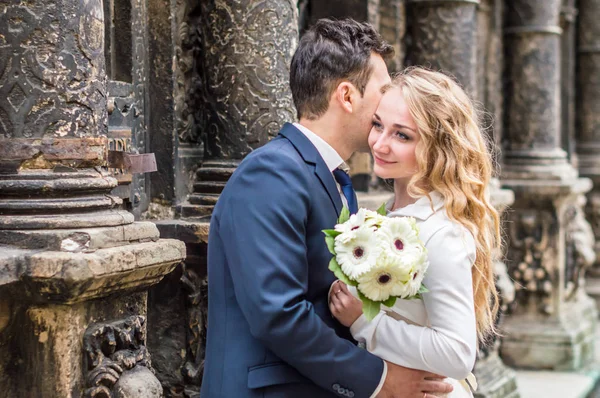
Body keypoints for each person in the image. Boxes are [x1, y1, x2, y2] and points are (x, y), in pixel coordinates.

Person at [201, 20, 454, 398]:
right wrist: (381, 380)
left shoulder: (332, 177)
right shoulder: (270, 172)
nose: (389, 105)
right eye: (383, 92)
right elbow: (278, 314)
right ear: (347, 96)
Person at [329, 67, 502, 398]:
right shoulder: (388, 214)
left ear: (436, 148)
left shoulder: (440, 233)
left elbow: (457, 353)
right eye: (378, 125)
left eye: (402, 135)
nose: (380, 143)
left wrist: (365, 323)